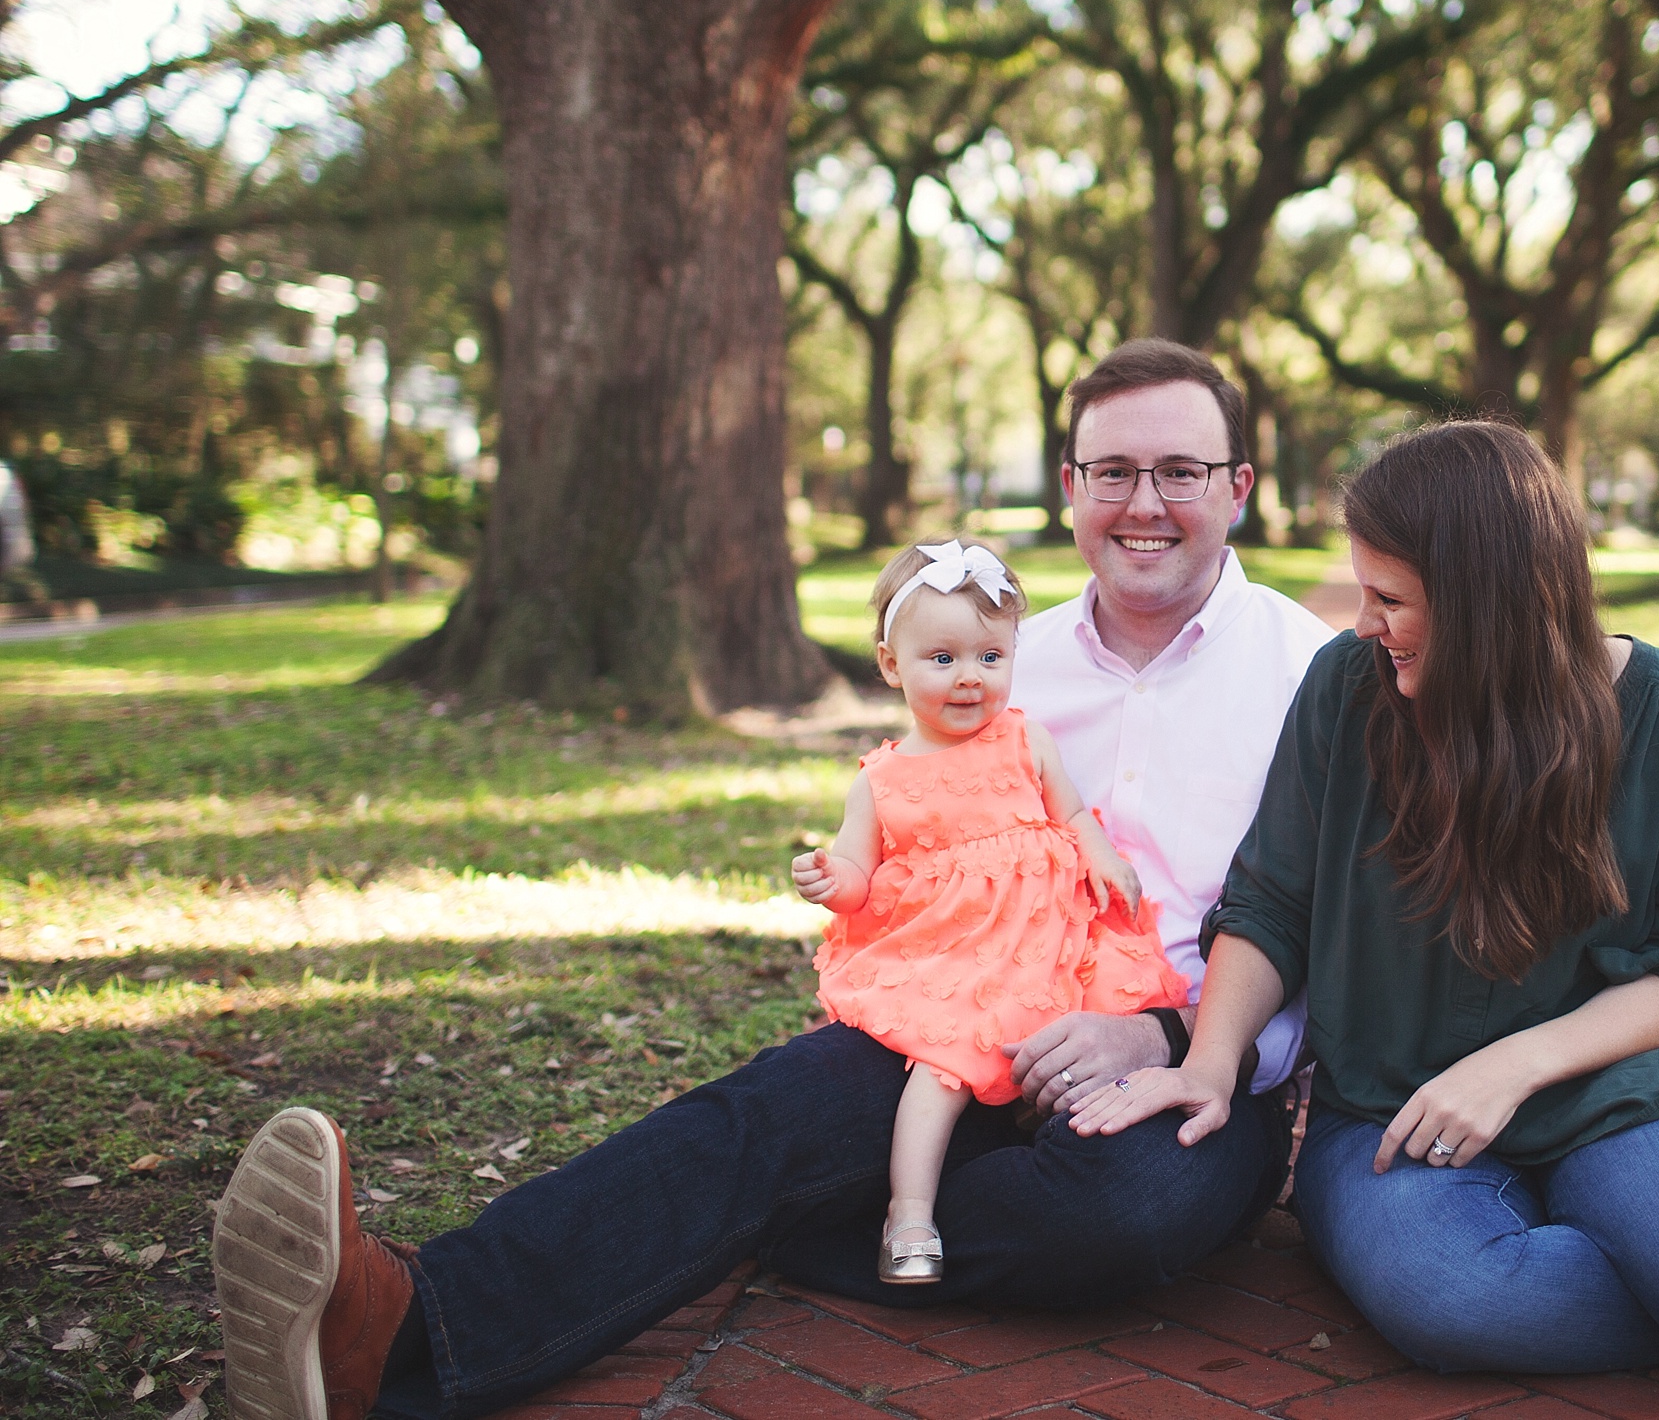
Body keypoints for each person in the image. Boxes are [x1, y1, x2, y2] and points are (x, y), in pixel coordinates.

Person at [210, 339, 1336, 1420]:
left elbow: (1326, 928)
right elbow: (917, 843)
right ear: (1069, 487)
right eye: (1114, 471)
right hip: (962, 1021)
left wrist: (1168, 1038)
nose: (1145, 502)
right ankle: (399, 1327)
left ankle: (770, 1216)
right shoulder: (998, 661)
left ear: (1237, 485)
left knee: (1128, 1214)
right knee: (770, 1112)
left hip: (1186, 1066)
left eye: (1179, 471)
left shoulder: (1312, 678)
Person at [1074, 420, 1659, 1369]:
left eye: (1391, 599)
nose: (1366, 624)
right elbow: (1270, 902)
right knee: (1462, 1306)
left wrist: (1513, 1066)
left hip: (1611, 1093)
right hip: (1391, 1110)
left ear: (1483, 602)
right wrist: (1211, 1063)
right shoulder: (1347, 689)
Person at [791, 538, 1188, 1285]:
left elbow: (1072, 813)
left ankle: (1045, 1138)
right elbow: (857, 874)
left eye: (989, 658)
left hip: (1057, 940)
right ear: (890, 665)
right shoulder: (882, 781)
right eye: (941, 659)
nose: (969, 678)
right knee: (943, 1067)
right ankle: (909, 1213)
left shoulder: (1025, 739)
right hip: (962, 955)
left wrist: (1101, 856)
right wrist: (828, 878)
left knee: (1094, 1027)